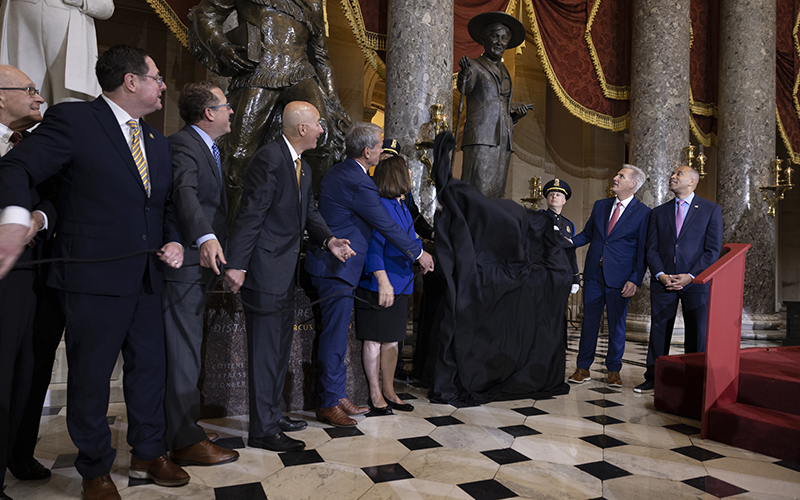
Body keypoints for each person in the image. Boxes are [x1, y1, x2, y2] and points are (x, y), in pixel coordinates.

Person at [0, 45, 189, 500]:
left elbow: (160, 206)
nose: (163, 85)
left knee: (149, 370)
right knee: (91, 378)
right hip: (91, 279)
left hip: (147, 277)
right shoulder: (75, 120)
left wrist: (176, 239)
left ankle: (148, 450)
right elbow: (16, 166)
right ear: (130, 81)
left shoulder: (157, 141)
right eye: (156, 77)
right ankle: (94, 469)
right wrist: (12, 221)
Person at [224, 101, 355, 449]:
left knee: (279, 351)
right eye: (318, 124)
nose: (322, 129)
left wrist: (329, 239)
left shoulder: (304, 167)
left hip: (285, 274)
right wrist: (237, 264)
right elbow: (251, 214)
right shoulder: (269, 158)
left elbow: (308, 212)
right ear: (301, 128)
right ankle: (263, 430)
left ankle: (273, 413)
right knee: (265, 352)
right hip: (265, 273)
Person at [305, 122, 434, 427]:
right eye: (378, 147)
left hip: (335, 265)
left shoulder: (341, 171)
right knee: (334, 339)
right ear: (367, 152)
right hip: (337, 267)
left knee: (335, 337)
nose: (381, 151)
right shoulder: (359, 182)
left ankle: (336, 394)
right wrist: (419, 253)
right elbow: (385, 227)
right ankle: (327, 402)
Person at [187, 0, 350, 221]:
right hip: (259, 70)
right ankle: (230, 227)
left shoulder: (313, 3)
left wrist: (332, 101)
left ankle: (305, 214)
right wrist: (222, 48)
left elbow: (322, 58)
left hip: (301, 72)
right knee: (237, 156)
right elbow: (204, 14)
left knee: (325, 142)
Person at [162, 82, 240, 465]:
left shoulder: (208, 148)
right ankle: (183, 441)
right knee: (183, 355)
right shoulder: (184, 145)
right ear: (208, 113)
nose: (231, 112)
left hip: (202, 266)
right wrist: (206, 237)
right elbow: (185, 193)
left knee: (189, 353)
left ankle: (184, 427)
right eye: (225, 106)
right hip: (185, 266)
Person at [0, 65, 53, 500]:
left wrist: (39, 216)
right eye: (30, 90)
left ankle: (19, 451)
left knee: (30, 371)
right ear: (0, 96)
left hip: (40, 276)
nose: (39, 98)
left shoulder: (42, 146)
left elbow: (58, 195)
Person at [635, 165, 723, 393]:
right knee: (659, 330)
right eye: (672, 173)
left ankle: (694, 380)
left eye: (678, 174)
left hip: (696, 283)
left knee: (697, 332)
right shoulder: (658, 212)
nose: (672, 177)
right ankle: (654, 377)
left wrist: (690, 275)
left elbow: (712, 250)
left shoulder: (710, 210)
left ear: (692, 182)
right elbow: (651, 249)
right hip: (663, 281)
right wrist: (661, 275)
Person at [568, 165, 650, 388]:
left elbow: (642, 250)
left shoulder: (644, 213)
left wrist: (635, 279)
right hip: (595, 274)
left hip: (621, 278)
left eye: (621, 176)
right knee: (589, 323)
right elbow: (587, 234)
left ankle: (614, 370)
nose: (615, 178)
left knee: (617, 325)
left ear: (633, 184)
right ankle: (583, 368)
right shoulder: (601, 205)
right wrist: (567, 243)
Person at [356, 155, 421, 415]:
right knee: (375, 340)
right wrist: (382, 279)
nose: (411, 174)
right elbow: (374, 246)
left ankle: (389, 390)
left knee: (393, 341)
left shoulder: (401, 204)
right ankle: (374, 392)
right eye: (407, 170)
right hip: (379, 283)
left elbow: (409, 239)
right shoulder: (380, 204)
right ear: (396, 174)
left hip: (401, 282)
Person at [457, 11, 529, 198]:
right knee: (477, 189)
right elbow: (465, 88)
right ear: (484, 39)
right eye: (495, 36)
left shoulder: (506, 72)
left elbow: (502, 106)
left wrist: (514, 117)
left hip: (503, 140)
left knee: (497, 191)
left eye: (504, 38)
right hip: (481, 137)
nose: (499, 42)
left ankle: (491, 226)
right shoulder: (474, 65)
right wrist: (464, 73)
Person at [0, 0, 115, 105]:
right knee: (21, 92)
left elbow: (107, 7)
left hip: (70, 29)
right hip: (21, 22)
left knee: (69, 100)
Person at [541, 178, 580, 294]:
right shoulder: (538, 218)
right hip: (542, 274)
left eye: (558, 195)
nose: (554, 197)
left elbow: (570, 253)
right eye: (551, 194)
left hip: (561, 276)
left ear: (564, 201)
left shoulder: (568, 225)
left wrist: (575, 278)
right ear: (547, 199)